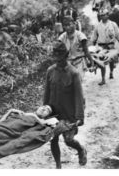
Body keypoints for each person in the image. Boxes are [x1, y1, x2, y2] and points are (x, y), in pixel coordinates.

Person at [43, 41, 86, 169]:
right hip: (54, 113)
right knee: (53, 139)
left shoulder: (73, 73)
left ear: (66, 56)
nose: (58, 61)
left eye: (60, 58)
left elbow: (79, 96)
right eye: (56, 58)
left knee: (69, 140)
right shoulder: (50, 71)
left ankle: (80, 149)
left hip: (69, 114)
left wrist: (79, 117)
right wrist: (44, 111)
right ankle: (58, 166)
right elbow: (47, 93)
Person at [91, 9, 119, 85]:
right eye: (101, 15)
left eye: (104, 15)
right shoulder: (98, 26)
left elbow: (118, 35)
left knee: (111, 61)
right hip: (101, 46)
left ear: (107, 15)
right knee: (102, 62)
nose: (102, 17)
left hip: (111, 45)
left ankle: (111, 72)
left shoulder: (113, 24)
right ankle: (103, 79)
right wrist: (93, 47)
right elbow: (94, 38)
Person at [58, 16, 94, 81]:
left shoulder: (80, 36)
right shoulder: (62, 37)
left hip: (79, 62)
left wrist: (91, 62)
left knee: (77, 81)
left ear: (74, 24)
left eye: (69, 25)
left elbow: (86, 51)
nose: (67, 27)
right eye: (65, 25)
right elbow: (59, 53)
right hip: (68, 63)